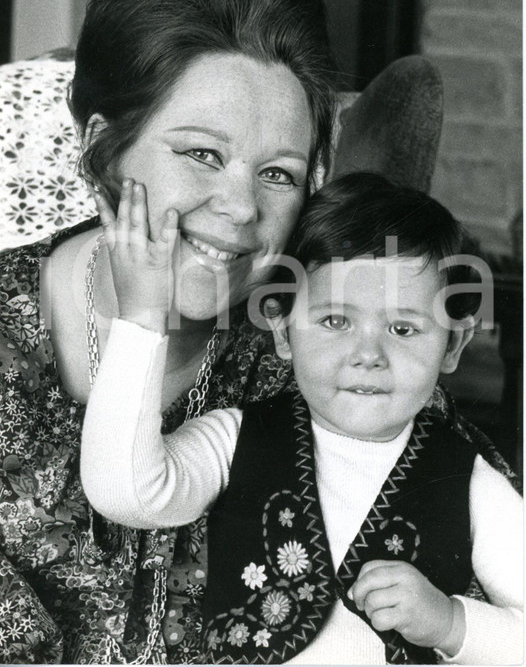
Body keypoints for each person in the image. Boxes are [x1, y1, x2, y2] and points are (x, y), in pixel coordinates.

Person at [0, 0, 337, 664]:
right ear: (103, 146)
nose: (241, 208)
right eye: (202, 154)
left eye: (278, 173)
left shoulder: (323, 351)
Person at [81, 172, 522, 665]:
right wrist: (141, 317)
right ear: (283, 330)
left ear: (452, 345)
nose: (368, 354)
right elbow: (126, 494)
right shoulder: (235, 439)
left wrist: (451, 623)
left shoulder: (467, 478)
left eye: (403, 328)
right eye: (335, 321)